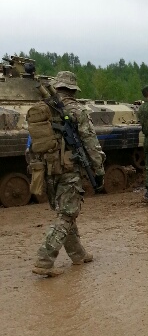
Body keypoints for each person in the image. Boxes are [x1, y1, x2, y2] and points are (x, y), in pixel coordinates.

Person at [31, 70, 105, 277]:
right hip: (69, 169)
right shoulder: (77, 110)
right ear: (72, 89)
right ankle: (44, 260)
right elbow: (90, 143)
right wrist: (98, 169)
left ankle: (77, 254)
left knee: (66, 211)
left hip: (48, 169)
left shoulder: (43, 109)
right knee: (67, 214)